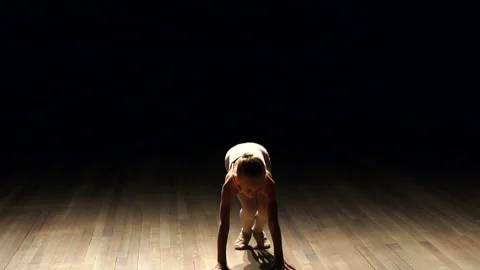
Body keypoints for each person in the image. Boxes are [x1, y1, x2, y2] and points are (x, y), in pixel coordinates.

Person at [214, 142, 296, 270]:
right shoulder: (230, 183)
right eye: (249, 190)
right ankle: (245, 232)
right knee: (250, 209)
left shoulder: (267, 181)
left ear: (263, 178)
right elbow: (223, 224)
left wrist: (280, 259)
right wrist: (221, 263)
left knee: (264, 211)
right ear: (237, 181)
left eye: (258, 188)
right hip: (233, 152)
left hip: (260, 151)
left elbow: (274, 222)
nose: (254, 194)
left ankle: (258, 231)